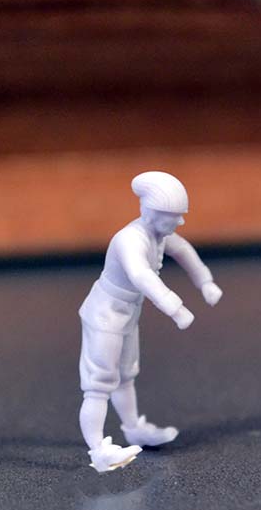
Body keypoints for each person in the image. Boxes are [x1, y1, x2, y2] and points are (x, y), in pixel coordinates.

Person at [78, 171, 223, 472]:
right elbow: (141, 275)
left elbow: (183, 250)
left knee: (126, 374)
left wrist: (205, 281)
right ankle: (98, 450)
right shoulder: (129, 239)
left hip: (128, 312)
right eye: (173, 216)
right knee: (99, 383)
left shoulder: (159, 235)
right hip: (105, 313)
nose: (180, 222)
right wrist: (175, 308)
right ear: (150, 212)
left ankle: (133, 428)